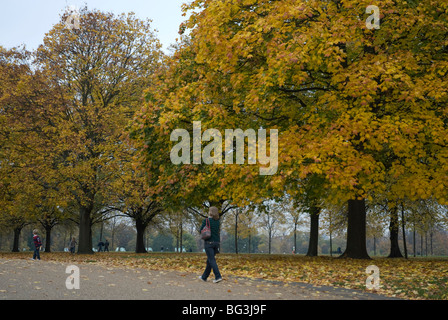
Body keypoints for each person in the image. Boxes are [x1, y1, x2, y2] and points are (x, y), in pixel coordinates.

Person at [198, 206, 222, 283]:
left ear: (210, 212)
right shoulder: (218, 222)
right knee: (209, 260)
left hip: (209, 243)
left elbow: (201, 230)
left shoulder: (206, 220)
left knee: (211, 260)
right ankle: (204, 277)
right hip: (216, 243)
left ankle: (218, 276)